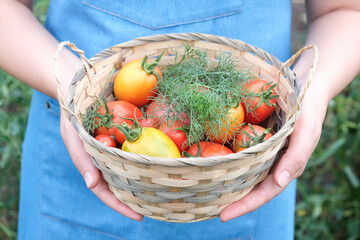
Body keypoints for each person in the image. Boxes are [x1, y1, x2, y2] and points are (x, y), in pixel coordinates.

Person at [1, 0, 360, 239]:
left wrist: (312, 89)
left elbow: (344, 10)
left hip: (247, 172)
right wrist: (74, 85)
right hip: (82, 148)